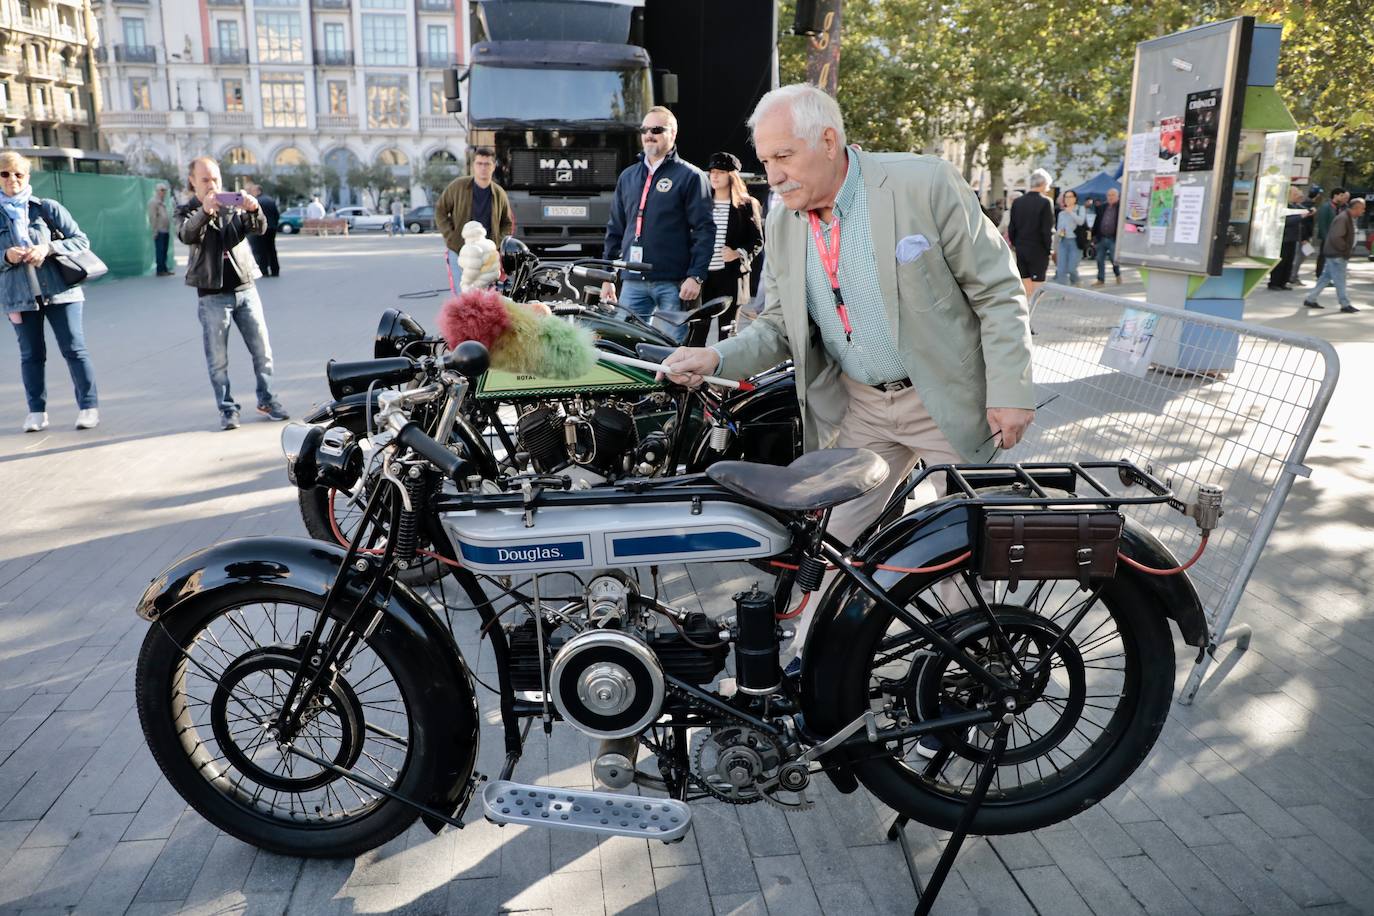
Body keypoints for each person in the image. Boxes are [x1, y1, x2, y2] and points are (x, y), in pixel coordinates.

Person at [664, 83, 1033, 553]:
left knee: (960, 558)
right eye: (765, 161)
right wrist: (714, 357)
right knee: (831, 551)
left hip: (947, 398)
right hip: (863, 409)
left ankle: (967, 628)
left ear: (828, 141)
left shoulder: (925, 183)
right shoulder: (780, 222)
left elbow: (998, 290)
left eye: (784, 156)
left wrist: (1010, 388)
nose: (772, 175)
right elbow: (777, 326)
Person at [177, 156, 289, 429]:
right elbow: (186, 234)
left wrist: (253, 209)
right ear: (192, 181)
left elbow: (259, 228)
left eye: (215, 178)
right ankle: (227, 409)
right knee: (218, 360)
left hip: (246, 288)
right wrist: (206, 211)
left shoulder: (233, 204)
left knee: (263, 352)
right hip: (212, 295)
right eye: (205, 179)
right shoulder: (187, 209)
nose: (212, 184)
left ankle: (267, 399)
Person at [1, 150, 100, 432]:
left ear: (27, 177)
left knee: (74, 349)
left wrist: (48, 248)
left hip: (61, 291)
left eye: (18, 174)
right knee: (31, 355)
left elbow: (81, 240)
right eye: (5, 174)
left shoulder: (46, 208)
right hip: (18, 298)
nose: (12, 180)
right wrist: (6, 256)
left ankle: (89, 407)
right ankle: (36, 412)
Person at [600, 106, 715, 341]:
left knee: (670, 350)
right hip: (632, 281)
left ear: (673, 134)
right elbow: (615, 230)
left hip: (673, 282)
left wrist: (696, 275)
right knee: (624, 343)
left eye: (656, 129)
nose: (648, 134)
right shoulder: (628, 176)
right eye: (644, 129)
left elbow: (704, 230)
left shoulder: (691, 176)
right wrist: (607, 276)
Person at [701, 151, 763, 336]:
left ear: (731, 175)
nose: (714, 176)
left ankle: (725, 366)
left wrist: (738, 253)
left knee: (727, 332)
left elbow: (757, 241)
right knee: (697, 331)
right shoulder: (702, 204)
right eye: (712, 172)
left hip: (731, 277)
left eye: (720, 172)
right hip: (703, 277)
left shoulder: (745, 205)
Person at [435, 148, 514, 293]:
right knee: (462, 296)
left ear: (493, 166)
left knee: (487, 298)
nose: (483, 168)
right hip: (460, 250)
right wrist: (451, 238)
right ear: (473, 166)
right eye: (479, 164)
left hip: (487, 255)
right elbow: (440, 210)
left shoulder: (498, 193)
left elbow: (507, 223)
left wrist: (495, 244)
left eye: (487, 164)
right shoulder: (458, 187)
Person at [1303, 197, 1365, 314]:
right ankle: (1345, 304)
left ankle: (1310, 299)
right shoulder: (1343, 218)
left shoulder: (1346, 217)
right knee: (1340, 279)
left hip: (1335, 253)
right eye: (1362, 208)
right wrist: (1344, 250)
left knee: (1325, 278)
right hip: (1337, 254)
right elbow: (1337, 237)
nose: (1363, 211)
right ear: (1356, 208)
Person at [1007, 169, 1055, 302]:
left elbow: (1012, 227)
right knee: (1038, 285)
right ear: (1044, 183)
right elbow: (1047, 229)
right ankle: (1031, 312)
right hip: (1038, 249)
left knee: (1025, 284)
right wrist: (1049, 249)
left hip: (1021, 247)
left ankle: (1026, 310)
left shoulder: (1018, 202)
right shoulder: (1046, 202)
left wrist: (1015, 244)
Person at [1268, 185, 1309, 291]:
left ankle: (1283, 282)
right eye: (1295, 194)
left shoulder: (1295, 206)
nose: (1297, 196)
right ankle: (1274, 282)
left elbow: (1304, 209)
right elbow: (1285, 221)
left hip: (1292, 238)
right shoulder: (1282, 206)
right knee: (1281, 261)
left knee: (1289, 261)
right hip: (1284, 238)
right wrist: (1299, 217)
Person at [1313, 187, 1349, 281]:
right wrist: (1326, 238)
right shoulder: (1326, 207)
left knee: (1332, 258)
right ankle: (1320, 275)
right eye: (1341, 196)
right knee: (1323, 257)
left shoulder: (1340, 207)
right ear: (1335, 195)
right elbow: (1322, 223)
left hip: (1335, 237)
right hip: (1328, 237)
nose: (1342, 198)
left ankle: (1328, 277)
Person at [246, 183, 280, 278]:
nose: (252, 193)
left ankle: (264, 270)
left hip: (262, 229)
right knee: (272, 249)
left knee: (261, 250)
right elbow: (277, 215)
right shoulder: (270, 200)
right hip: (272, 228)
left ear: (258, 191)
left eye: (253, 191)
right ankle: (275, 270)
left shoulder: (256, 201)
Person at [1054, 190, 1086, 286]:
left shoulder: (1080, 209)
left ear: (1075, 198)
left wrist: (1071, 212)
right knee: (1061, 269)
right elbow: (1059, 227)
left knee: (1072, 268)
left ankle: (1076, 281)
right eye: (1066, 197)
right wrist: (1059, 232)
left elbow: (1081, 222)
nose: (1068, 199)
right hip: (1063, 241)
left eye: (1070, 196)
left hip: (1075, 242)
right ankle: (1062, 293)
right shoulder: (1061, 213)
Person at [1090, 187, 1121, 286]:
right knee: (1099, 259)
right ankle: (1101, 279)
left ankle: (1118, 275)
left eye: (1113, 195)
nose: (1110, 197)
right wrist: (1093, 236)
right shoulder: (1102, 207)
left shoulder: (1121, 207)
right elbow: (1097, 222)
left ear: (1117, 196)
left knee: (1113, 259)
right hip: (1101, 237)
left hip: (1113, 238)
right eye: (1109, 195)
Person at [1291, 187, 1318, 284]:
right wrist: (1304, 237)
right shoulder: (1307, 206)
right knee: (1301, 256)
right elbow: (1304, 223)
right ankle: (1293, 275)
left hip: (1304, 235)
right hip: (1303, 236)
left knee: (1305, 254)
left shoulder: (1306, 206)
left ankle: (1293, 275)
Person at [149, 184, 174, 276]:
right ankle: (160, 270)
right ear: (157, 190)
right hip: (159, 230)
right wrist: (154, 231)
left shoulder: (162, 202)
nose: (164, 192)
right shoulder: (153, 202)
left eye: (165, 190)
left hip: (165, 230)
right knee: (160, 250)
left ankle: (164, 269)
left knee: (164, 251)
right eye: (162, 190)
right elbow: (152, 218)